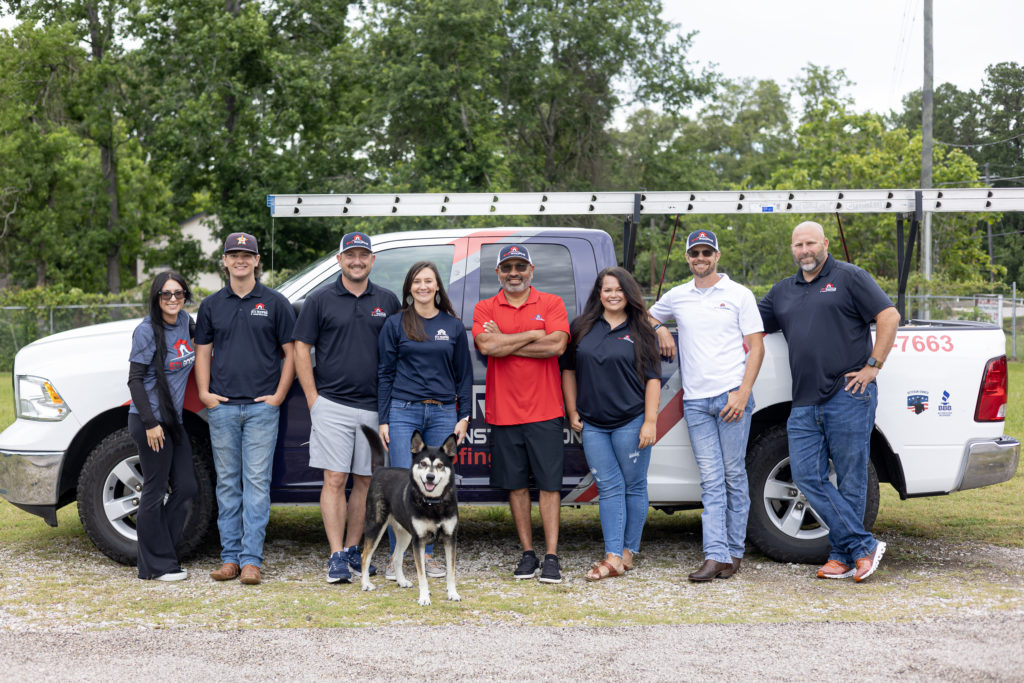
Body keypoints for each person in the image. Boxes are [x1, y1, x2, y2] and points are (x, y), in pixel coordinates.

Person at [758, 221, 900, 582]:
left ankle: (841, 556)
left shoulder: (849, 277)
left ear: (824, 243)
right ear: (791, 249)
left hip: (848, 394)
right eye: (797, 245)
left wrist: (873, 366)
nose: (804, 250)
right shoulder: (782, 291)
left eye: (810, 243)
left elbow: (889, 315)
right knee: (807, 476)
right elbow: (747, 321)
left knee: (851, 479)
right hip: (804, 400)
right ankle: (860, 546)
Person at [649, 229, 765, 582]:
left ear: (717, 255)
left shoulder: (739, 294)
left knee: (733, 476)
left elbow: (756, 347)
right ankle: (716, 556)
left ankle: (734, 553)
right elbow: (646, 315)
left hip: (732, 396)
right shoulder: (677, 296)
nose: (700, 258)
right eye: (694, 253)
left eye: (706, 252)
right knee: (712, 480)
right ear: (687, 257)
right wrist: (661, 329)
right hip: (696, 402)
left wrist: (743, 392)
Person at [293, 231, 400, 584]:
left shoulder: (387, 300)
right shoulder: (319, 300)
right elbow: (301, 347)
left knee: (367, 482)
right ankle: (336, 554)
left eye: (363, 255)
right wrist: (312, 399)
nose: (357, 260)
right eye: (350, 255)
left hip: (373, 408)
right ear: (339, 260)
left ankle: (355, 549)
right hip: (332, 405)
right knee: (335, 479)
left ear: (372, 260)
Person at [195, 232, 296, 586]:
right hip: (222, 408)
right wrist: (205, 393)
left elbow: (292, 353)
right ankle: (229, 559)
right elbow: (203, 352)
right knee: (227, 484)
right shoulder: (210, 305)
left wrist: (279, 395)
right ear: (224, 261)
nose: (240, 260)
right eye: (233, 254)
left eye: (246, 255)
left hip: (261, 410)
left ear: (256, 261)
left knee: (256, 483)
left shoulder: (274, 302)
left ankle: (251, 560)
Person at [472, 244, 570, 584]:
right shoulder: (485, 306)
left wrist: (507, 341)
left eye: (520, 266)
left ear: (531, 271)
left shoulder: (551, 303)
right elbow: (486, 346)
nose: (514, 273)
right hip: (504, 413)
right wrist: (532, 334)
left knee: (548, 486)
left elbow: (557, 345)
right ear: (498, 273)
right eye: (507, 267)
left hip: (545, 409)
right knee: (515, 487)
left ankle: (552, 556)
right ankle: (528, 554)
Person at [561, 267, 661, 581]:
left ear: (628, 293)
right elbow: (568, 371)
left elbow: (653, 379)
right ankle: (614, 555)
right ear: (599, 293)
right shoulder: (582, 326)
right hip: (593, 424)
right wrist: (572, 409)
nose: (613, 295)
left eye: (619, 289)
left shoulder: (642, 328)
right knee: (608, 487)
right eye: (607, 290)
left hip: (631, 422)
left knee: (633, 486)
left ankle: (627, 553)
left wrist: (650, 421)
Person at [377, 260, 473, 579]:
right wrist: (384, 418)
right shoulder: (395, 324)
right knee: (405, 484)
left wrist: (463, 416)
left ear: (437, 287)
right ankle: (397, 559)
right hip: (405, 411)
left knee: (436, 483)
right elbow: (385, 373)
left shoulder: (453, 326)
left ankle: (428, 555)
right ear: (409, 287)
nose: (422, 286)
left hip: (444, 412)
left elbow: (464, 375)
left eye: (428, 281)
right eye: (417, 281)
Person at [126, 271, 198, 581]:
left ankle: (161, 553)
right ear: (157, 297)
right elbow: (135, 380)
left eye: (178, 293)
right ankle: (155, 566)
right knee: (154, 491)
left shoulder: (185, 322)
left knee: (186, 487)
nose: (172, 299)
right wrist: (150, 423)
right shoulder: (145, 331)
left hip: (174, 421)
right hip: (150, 422)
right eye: (166, 294)